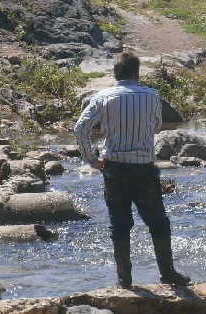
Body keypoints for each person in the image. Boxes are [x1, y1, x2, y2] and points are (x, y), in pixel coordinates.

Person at [74, 52, 190, 289]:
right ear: (137, 73)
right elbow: (157, 126)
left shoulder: (103, 96)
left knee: (119, 223)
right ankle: (168, 274)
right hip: (144, 169)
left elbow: (80, 128)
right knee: (158, 222)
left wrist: (91, 159)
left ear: (115, 73)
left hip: (114, 168)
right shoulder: (152, 95)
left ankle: (124, 281)